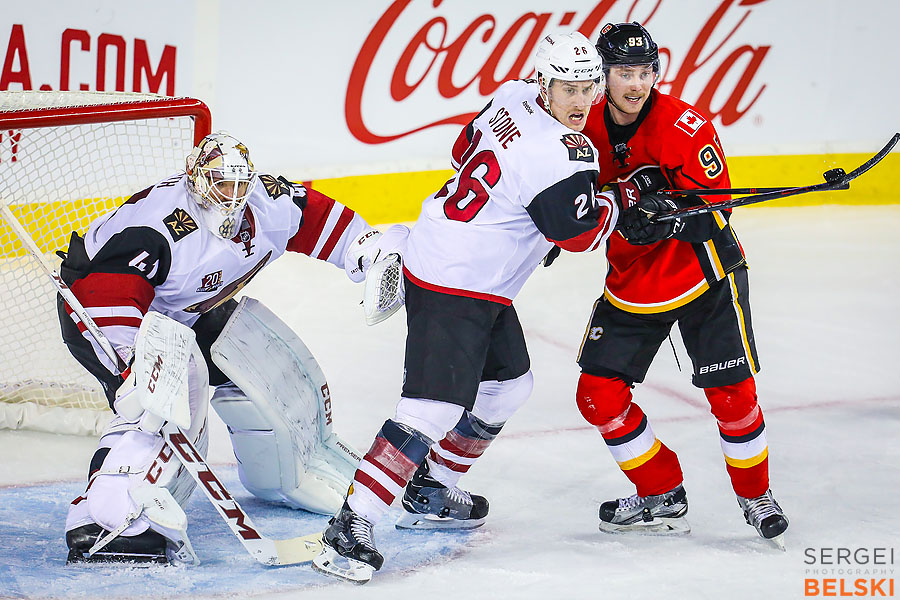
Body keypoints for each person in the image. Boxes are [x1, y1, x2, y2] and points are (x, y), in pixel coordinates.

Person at [311, 32, 636, 584]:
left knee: (509, 386)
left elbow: (465, 152)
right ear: (544, 82)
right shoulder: (562, 154)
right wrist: (622, 203)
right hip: (456, 280)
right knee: (431, 408)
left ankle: (431, 488)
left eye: (588, 88)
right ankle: (351, 524)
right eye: (568, 89)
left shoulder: (510, 96)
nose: (580, 102)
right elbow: (578, 234)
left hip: (458, 263)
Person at [58, 132, 384, 564]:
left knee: (260, 360)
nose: (231, 198)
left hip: (180, 313)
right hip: (102, 314)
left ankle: (287, 475)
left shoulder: (266, 205)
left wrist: (367, 251)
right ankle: (104, 518)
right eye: (219, 184)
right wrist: (136, 368)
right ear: (195, 177)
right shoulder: (161, 227)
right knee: (161, 407)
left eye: (238, 186)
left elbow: (315, 218)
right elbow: (105, 292)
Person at [575, 22, 788, 545]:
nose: (637, 83)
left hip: (703, 275)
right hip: (631, 280)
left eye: (646, 71)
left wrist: (666, 214)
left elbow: (716, 210)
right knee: (598, 397)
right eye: (625, 72)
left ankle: (756, 495)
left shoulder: (684, 128)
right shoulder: (581, 127)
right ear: (603, 74)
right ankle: (660, 493)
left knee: (733, 396)